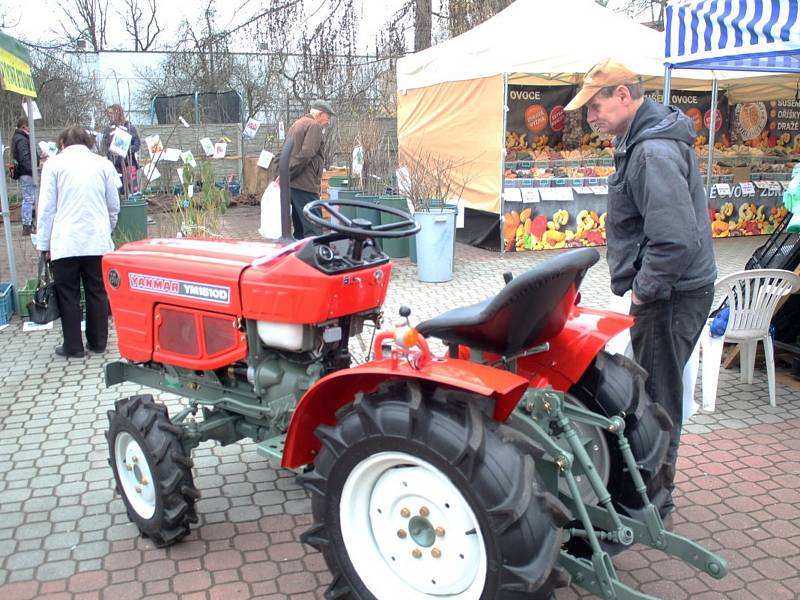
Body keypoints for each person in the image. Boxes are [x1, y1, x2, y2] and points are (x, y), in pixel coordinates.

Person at [565, 59, 717, 517]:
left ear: (624, 96)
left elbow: (674, 237)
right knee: (657, 390)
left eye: (596, 105)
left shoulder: (652, 152)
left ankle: (655, 498)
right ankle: (653, 487)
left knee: (657, 398)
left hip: (671, 294)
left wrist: (644, 291)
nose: (591, 116)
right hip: (675, 289)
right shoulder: (643, 142)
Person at [36, 126, 121, 359]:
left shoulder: (53, 165)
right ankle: (99, 343)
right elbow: (114, 205)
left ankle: (73, 346)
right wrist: (106, 228)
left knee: (68, 294)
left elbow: (46, 209)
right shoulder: (103, 164)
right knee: (97, 291)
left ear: (62, 143)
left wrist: (44, 243)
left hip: (66, 242)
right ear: (88, 142)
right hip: (97, 241)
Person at [284, 99, 335, 238]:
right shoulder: (314, 126)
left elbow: (287, 153)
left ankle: (300, 256)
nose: (328, 121)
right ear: (319, 114)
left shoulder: (297, 124)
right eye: (327, 116)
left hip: (294, 184)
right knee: (313, 227)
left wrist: (286, 175)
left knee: (300, 228)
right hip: (305, 184)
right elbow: (307, 154)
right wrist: (289, 174)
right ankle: (315, 257)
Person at [101, 104, 140, 196]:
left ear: (117, 113)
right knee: (117, 192)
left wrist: (126, 150)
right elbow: (104, 146)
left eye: (111, 113)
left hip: (129, 164)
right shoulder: (108, 130)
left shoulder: (129, 128)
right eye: (108, 114)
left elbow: (137, 144)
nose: (109, 116)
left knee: (133, 191)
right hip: (114, 166)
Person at [12, 116, 35, 234]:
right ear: (24, 126)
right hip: (26, 172)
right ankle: (27, 224)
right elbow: (25, 157)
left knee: (29, 198)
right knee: (28, 198)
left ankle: (29, 223)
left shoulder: (20, 138)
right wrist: (33, 171)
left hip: (25, 171)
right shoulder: (22, 139)